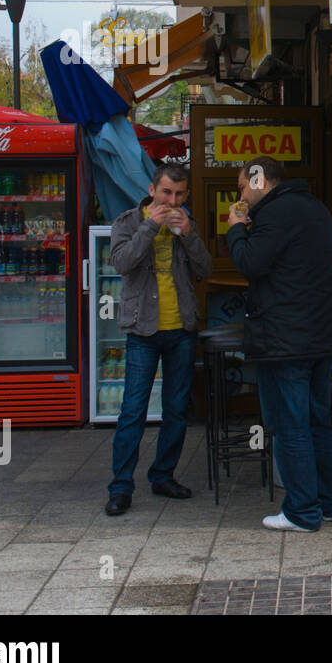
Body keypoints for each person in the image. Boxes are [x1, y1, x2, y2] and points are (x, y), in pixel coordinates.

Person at [227, 155, 332, 532]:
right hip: (323, 336)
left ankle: (301, 512)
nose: (242, 196)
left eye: (243, 187)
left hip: (286, 340)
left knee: (291, 424)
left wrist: (235, 229)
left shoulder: (275, 214)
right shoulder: (316, 208)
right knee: (316, 422)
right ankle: (328, 504)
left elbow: (249, 263)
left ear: (261, 180)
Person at [105, 162, 213, 516]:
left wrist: (189, 236)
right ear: (153, 190)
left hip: (181, 328)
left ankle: (163, 476)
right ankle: (120, 488)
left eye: (180, 194)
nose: (173, 200)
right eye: (167, 192)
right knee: (133, 411)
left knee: (177, 410)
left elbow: (205, 270)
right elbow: (122, 262)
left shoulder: (187, 222)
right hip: (142, 331)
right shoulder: (128, 222)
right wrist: (151, 225)